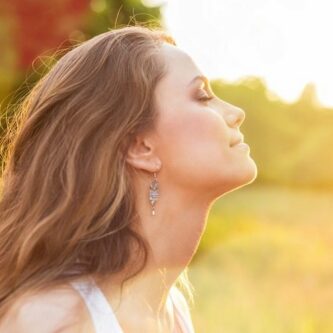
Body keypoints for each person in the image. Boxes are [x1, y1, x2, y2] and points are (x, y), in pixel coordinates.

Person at [0, 24, 257, 333]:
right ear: (141, 147)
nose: (236, 112)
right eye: (202, 96)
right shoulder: (50, 319)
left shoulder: (173, 312)